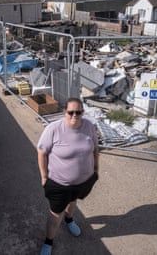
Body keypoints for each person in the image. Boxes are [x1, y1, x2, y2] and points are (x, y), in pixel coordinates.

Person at [37, 97, 99, 255]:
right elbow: (42, 152)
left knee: (73, 200)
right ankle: (49, 241)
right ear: (64, 112)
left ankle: (69, 220)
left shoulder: (89, 126)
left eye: (78, 112)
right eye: (70, 112)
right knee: (55, 213)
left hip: (83, 181)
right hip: (59, 183)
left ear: (83, 112)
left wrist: (96, 168)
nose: (74, 115)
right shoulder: (53, 128)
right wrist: (44, 177)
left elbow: (95, 148)